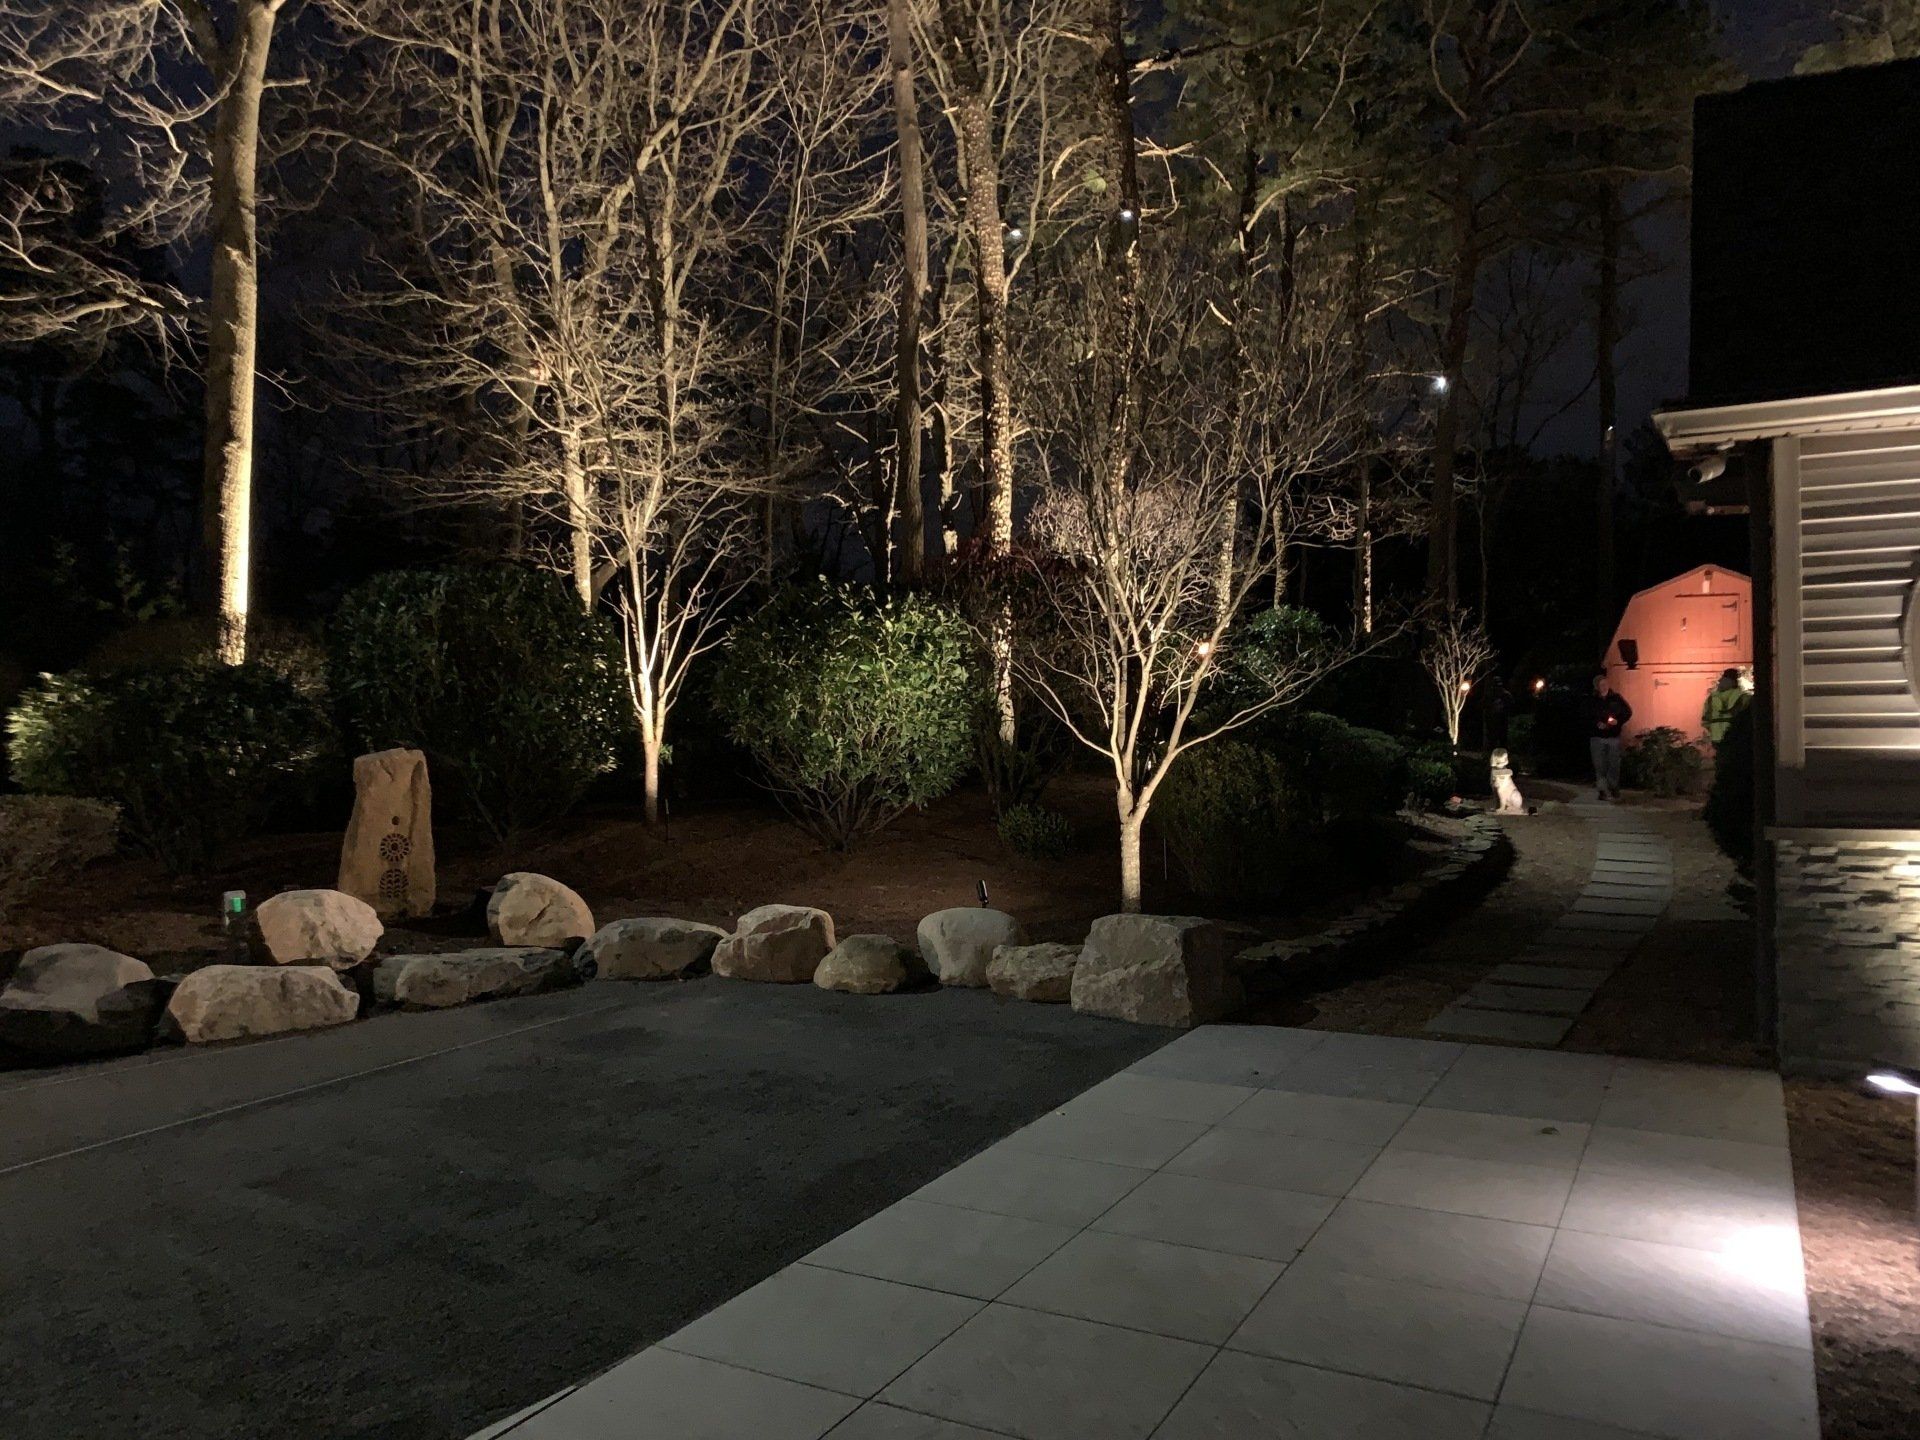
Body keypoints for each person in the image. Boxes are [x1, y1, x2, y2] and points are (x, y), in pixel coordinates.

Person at [1588, 671, 1632, 801]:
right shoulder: (1592, 701)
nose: (1604, 686)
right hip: (1597, 738)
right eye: (1601, 684)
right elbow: (1586, 716)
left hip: (1613, 737)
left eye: (1605, 683)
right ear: (1596, 686)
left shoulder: (1616, 698)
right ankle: (1602, 790)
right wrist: (1596, 724)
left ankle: (1613, 788)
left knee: (1613, 764)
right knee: (1599, 765)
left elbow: (1627, 712)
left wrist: (1618, 721)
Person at [1702, 667, 1750, 745]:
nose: (1719, 681)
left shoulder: (1712, 698)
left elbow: (1705, 720)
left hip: (1717, 739)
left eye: (1722, 678)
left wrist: (1714, 729)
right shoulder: (1744, 697)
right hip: (1738, 739)